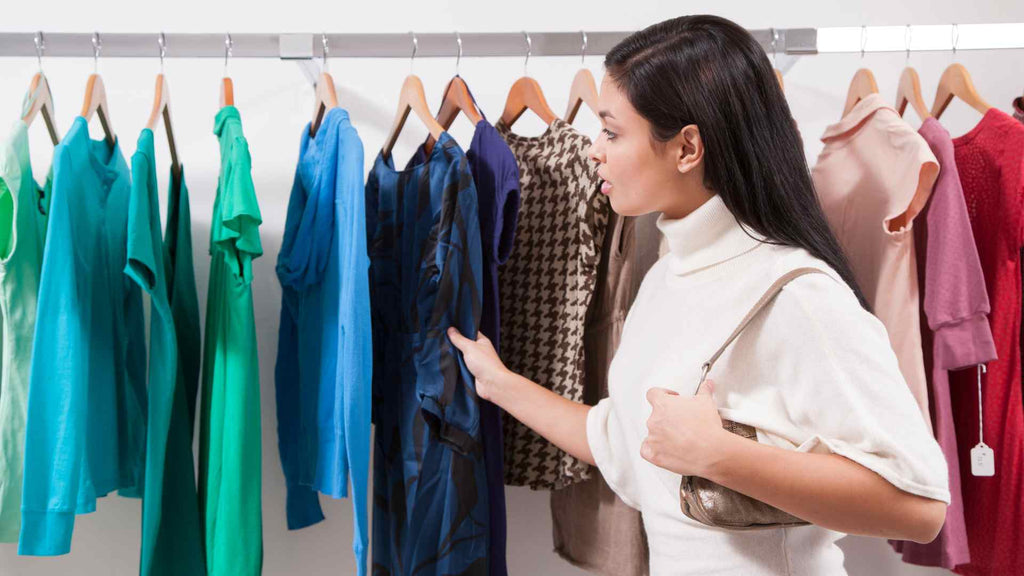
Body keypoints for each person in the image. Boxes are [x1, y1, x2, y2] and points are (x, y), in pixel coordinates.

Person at [448, 14, 950, 576]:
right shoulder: (669, 276)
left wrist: (720, 455)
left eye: (612, 132)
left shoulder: (798, 294)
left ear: (687, 148)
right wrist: (497, 382)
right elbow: (622, 439)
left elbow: (921, 506)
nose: (594, 151)